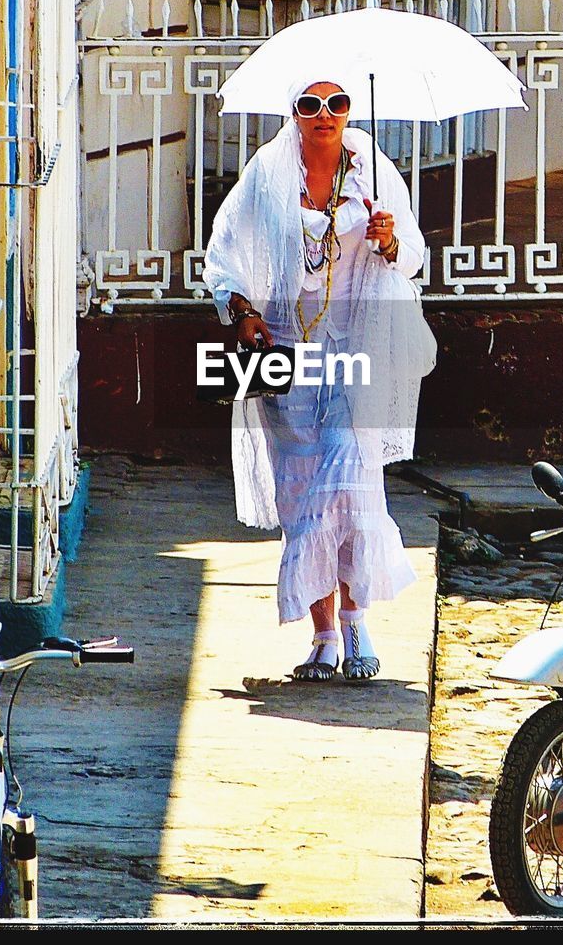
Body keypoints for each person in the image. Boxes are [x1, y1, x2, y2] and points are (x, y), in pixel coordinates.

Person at [203, 76, 436, 682]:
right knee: (303, 492)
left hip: (358, 338)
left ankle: (358, 620)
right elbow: (225, 250)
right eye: (311, 105)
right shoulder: (267, 174)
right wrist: (244, 312)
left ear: (349, 110)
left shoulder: (373, 171)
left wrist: (388, 242)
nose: (324, 115)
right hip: (289, 347)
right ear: (296, 114)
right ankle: (324, 636)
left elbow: (413, 251)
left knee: (353, 481)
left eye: (336, 104)